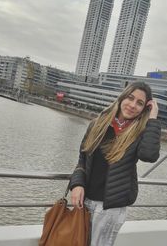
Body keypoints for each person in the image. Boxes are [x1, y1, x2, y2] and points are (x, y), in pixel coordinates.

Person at [69, 81, 161, 246]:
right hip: (84, 201)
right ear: (122, 97)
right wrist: (76, 184)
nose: (132, 105)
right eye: (130, 98)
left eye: (140, 103)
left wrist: (152, 118)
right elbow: (82, 159)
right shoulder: (98, 125)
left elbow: (149, 155)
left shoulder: (139, 134)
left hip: (110, 208)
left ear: (144, 109)